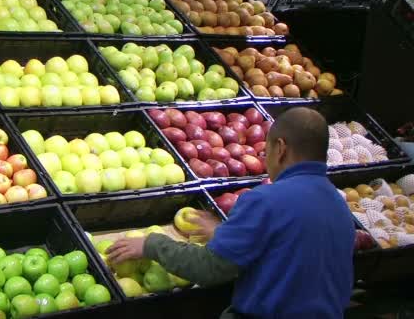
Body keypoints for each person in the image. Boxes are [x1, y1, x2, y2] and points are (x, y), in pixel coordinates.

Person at [107, 107, 356, 318]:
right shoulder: (339, 206)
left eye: (265, 150)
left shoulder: (266, 200)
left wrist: (152, 244)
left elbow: (209, 269)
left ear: (280, 149)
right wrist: (225, 234)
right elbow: (289, 251)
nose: (264, 157)